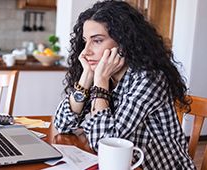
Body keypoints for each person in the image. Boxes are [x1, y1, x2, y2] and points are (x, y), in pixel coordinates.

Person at [53, 1, 195, 169]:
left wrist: (100, 82)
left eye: (97, 41)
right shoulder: (105, 75)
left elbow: (105, 144)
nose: (85, 52)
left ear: (123, 43)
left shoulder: (149, 79)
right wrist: (87, 75)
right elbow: (62, 124)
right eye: (85, 41)